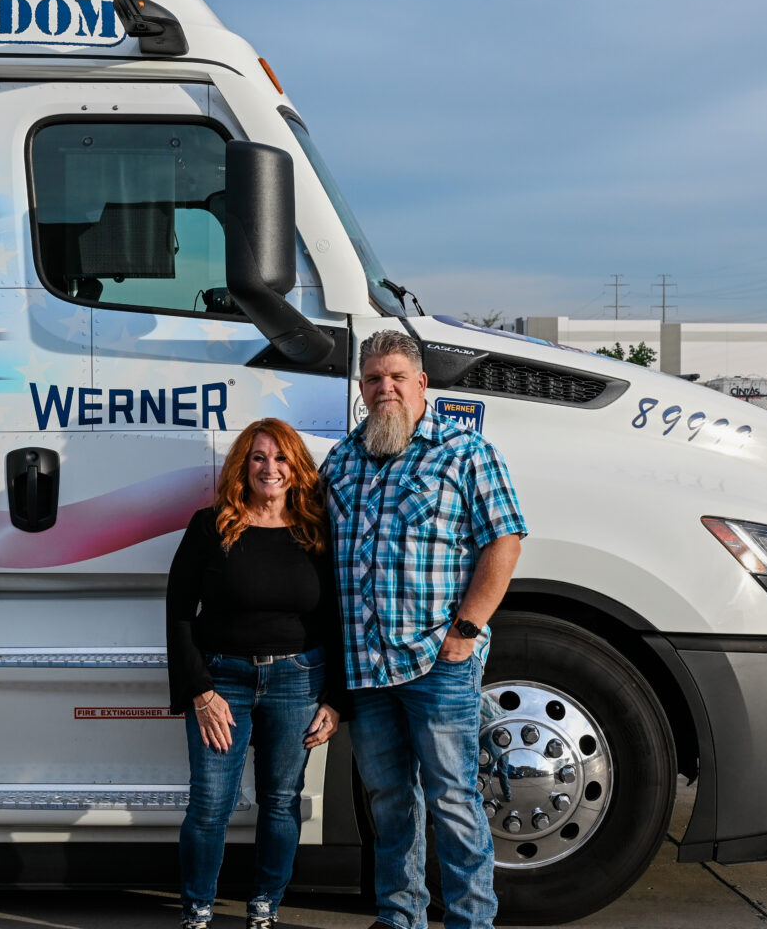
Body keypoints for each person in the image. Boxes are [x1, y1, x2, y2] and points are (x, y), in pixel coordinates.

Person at [320, 329, 526, 929]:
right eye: (374, 379)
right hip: (367, 668)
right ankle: (399, 916)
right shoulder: (341, 461)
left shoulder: (465, 453)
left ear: (422, 385)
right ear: (362, 390)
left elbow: (504, 541)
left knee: (455, 802)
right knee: (389, 804)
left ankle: (470, 921)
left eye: (397, 378)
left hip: (438, 661)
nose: (386, 388)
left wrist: (464, 632)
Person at [166, 418, 345, 929]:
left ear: (296, 468)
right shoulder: (210, 525)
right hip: (222, 681)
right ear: (243, 466)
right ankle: (197, 910)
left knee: (282, 800)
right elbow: (179, 611)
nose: (270, 468)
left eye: (281, 458)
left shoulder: (317, 531)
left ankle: (264, 905)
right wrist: (199, 690)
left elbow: (335, 619)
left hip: (298, 681)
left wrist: (335, 699)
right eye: (259, 457)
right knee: (209, 803)